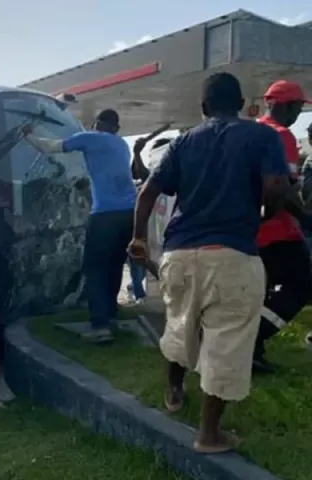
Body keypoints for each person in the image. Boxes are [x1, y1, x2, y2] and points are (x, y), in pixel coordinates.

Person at [128, 72, 299, 453]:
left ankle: (174, 392)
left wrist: (138, 238)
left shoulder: (184, 142)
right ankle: (209, 434)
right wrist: (262, 217)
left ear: (204, 108)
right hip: (232, 254)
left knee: (179, 327)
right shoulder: (262, 136)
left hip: (179, 253)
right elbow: (276, 188)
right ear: (242, 104)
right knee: (227, 341)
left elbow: (147, 191)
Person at [25, 109, 136, 343]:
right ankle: (110, 314)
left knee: (95, 268)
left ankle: (100, 326)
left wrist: (29, 136)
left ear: (96, 124)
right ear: (117, 127)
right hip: (129, 214)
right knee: (114, 265)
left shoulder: (90, 138)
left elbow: (50, 147)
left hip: (105, 213)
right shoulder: (122, 145)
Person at [252, 80, 312, 373]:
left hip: (251, 231)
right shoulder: (281, 136)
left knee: (258, 293)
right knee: (301, 284)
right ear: (280, 104)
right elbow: (282, 191)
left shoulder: (252, 132)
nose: (298, 114)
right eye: (296, 107)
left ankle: (253, 350)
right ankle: (253, 340)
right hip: (278, 231)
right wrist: (306, 218)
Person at [127, 137, 173, 303]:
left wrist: (137, 153)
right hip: (156, 233)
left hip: (166, 235)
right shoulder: (158, 179)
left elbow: (143, 176)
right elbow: (141, 174)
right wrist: (137, 154)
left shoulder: (171, 177)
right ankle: (140, 292)